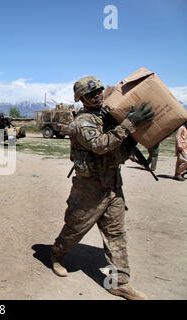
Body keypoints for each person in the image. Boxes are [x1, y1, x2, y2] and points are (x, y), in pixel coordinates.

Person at [50, 76, 155, 300]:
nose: (97, 95)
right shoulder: (82, 122)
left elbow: (118, 145)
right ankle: (56, 255)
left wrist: (133, 135)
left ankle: (119, 283)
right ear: (81, 99)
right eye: (91, 93)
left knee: (116, 234)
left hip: (113, 185)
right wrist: (130, 124)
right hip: (89, 188)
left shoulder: (109, 116)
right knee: (74, 229)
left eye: (99, 90)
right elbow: (100, 145)